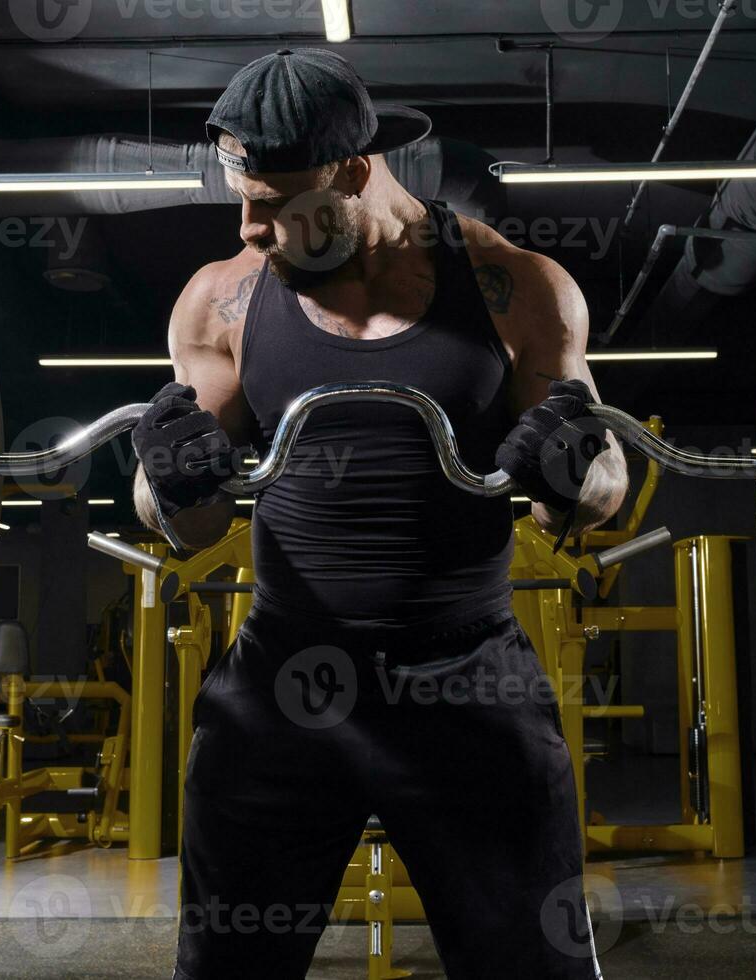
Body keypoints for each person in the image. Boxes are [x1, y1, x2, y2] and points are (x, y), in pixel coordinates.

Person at [131, 48, 628, 980]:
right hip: (284, 686)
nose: (249, 227)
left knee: (534, 968)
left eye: (275, 202)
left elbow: (605, 486)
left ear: (355, 172)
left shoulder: (516, 287)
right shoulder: (222, 300)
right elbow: (181, 521)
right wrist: (171, 481)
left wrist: (571, 471)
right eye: (240, 196)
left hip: (468, 683)